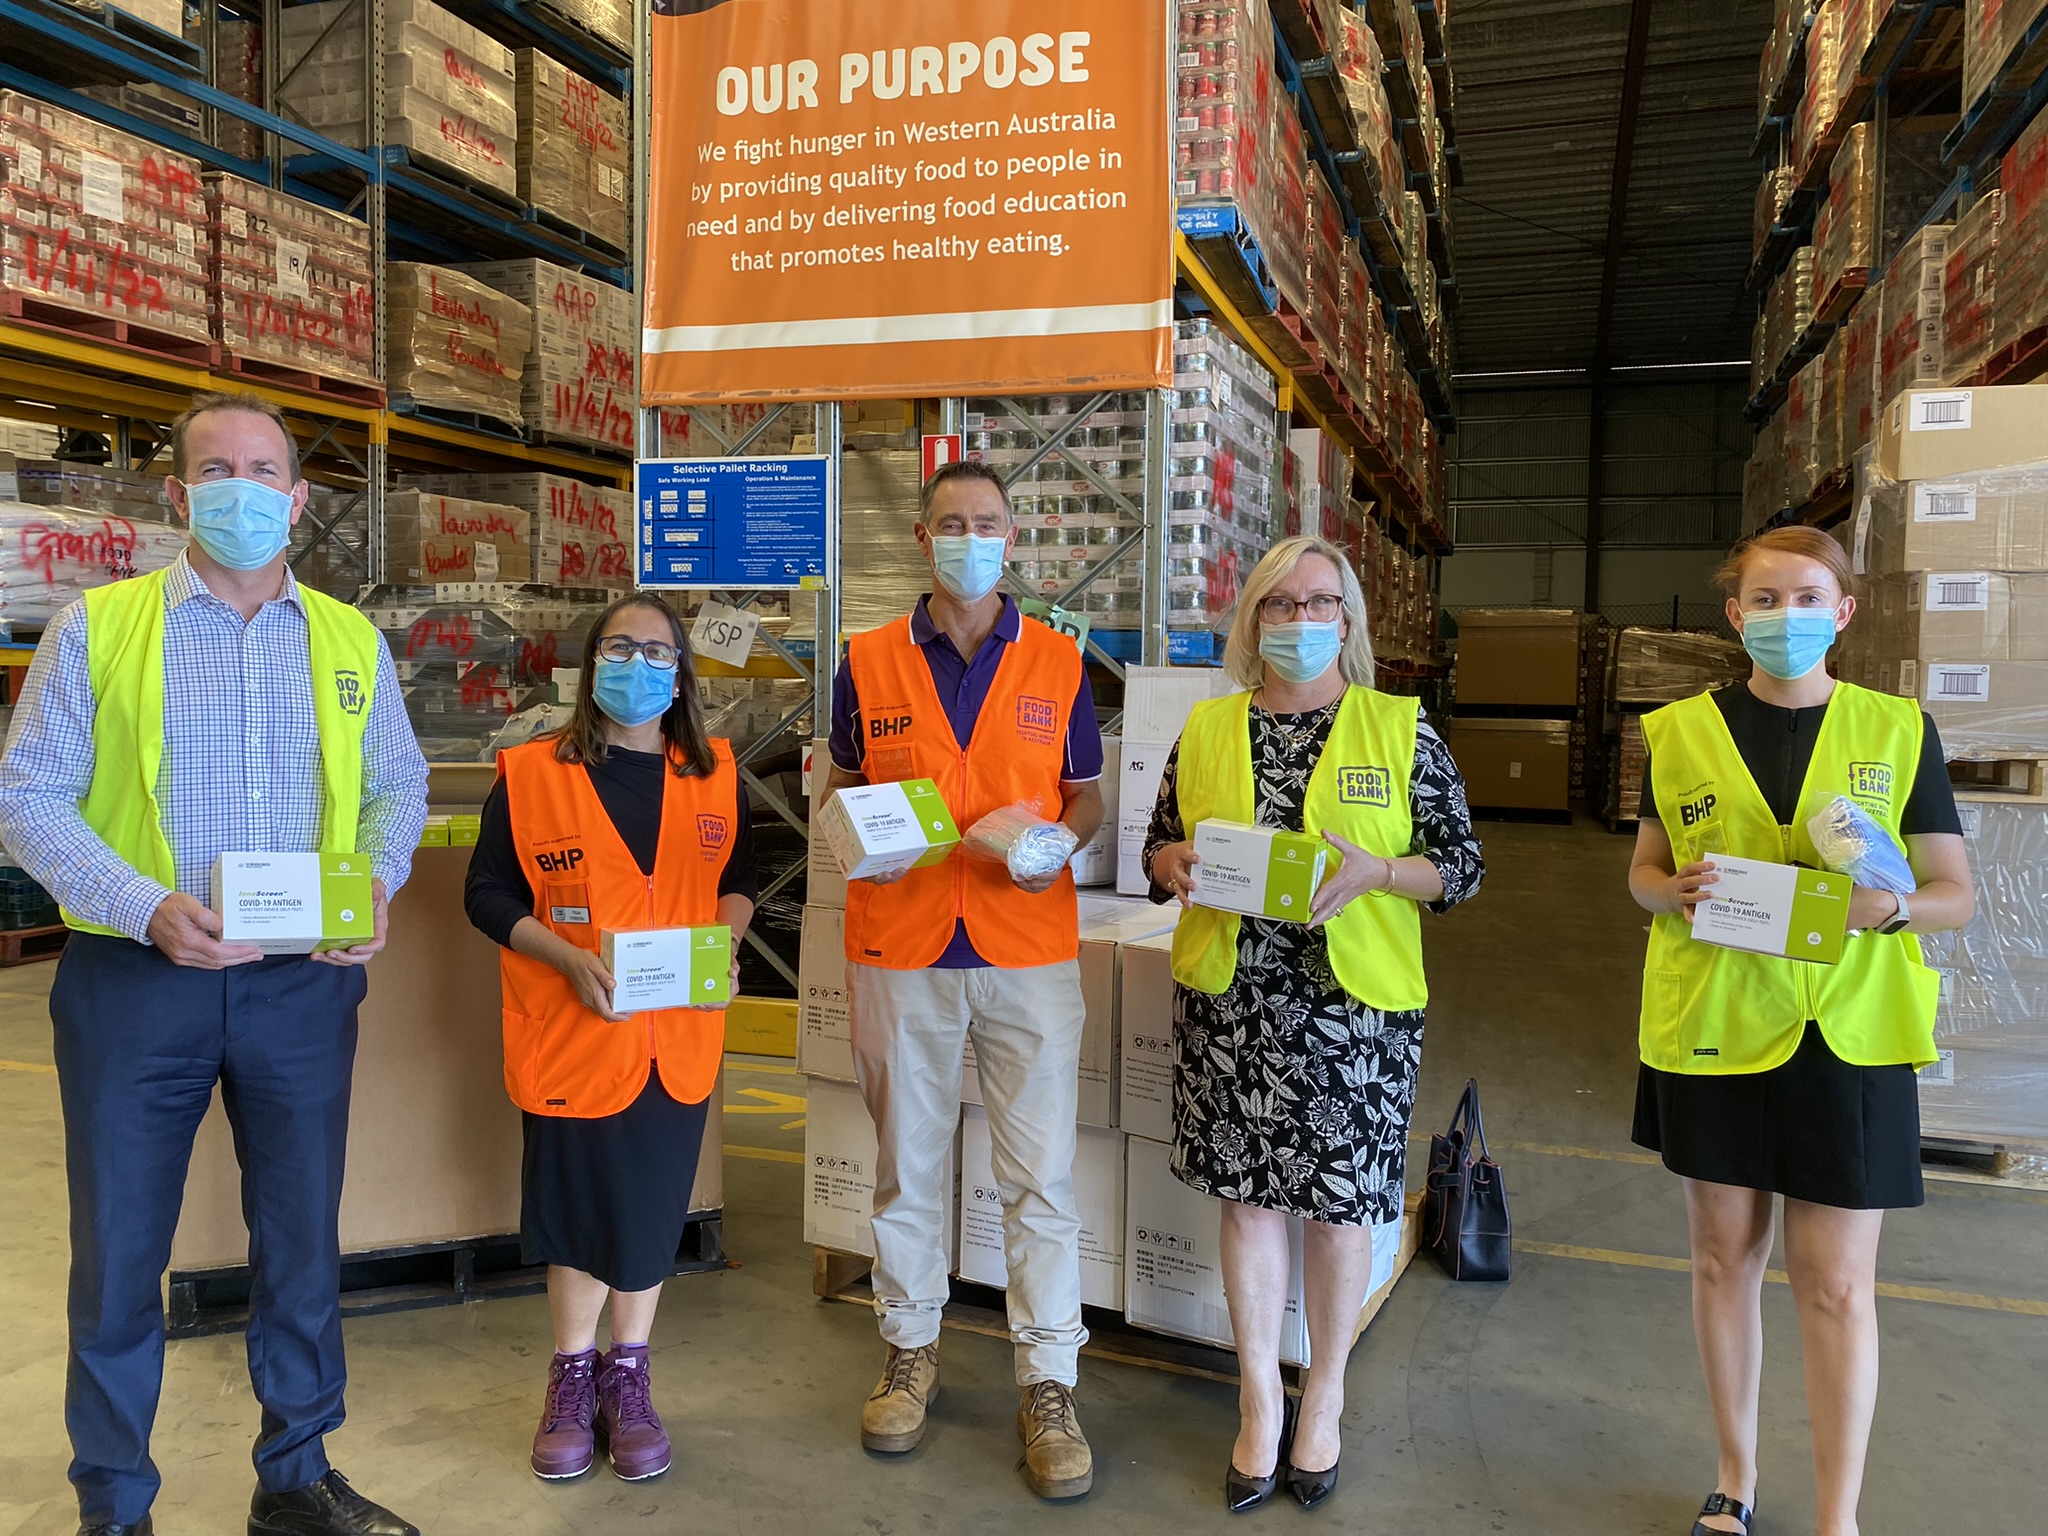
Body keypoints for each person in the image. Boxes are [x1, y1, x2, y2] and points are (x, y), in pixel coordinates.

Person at [0, 392, 430, 1536]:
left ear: (296, 496)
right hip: (138, 983)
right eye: (217, 469)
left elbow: (397, 783)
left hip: (300, 982)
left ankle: (294, 1479)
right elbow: (26, 797)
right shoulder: (97, 629)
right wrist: (142, 907)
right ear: (182, 494)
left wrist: (377, 882)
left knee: (300, 1240)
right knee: (118, 1253)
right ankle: (115, 1503)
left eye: (265, 469)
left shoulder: (349, 639)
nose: (244, 488)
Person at [1626, 527, 1974, 1536]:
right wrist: (1668, 893)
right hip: (1717, 1026)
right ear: (1734, 616)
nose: (1785, 617)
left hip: (1845, 1036)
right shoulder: (1677, 732)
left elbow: (1953, 892)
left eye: (1806, 597)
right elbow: (1642, 872)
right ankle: (1732, 1479)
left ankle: (1836, 1517)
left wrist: (1893, 908)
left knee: (1831, 1284)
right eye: (1764, 600)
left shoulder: (1896, 731)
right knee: (1719, 1261)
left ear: (1843, 611)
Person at [1145, 535, 1484, 1513]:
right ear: (1252, 620)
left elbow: (1457, 867)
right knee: (1248, 1205)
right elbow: (1159, 845)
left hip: (1354, 1011)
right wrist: (1171, 867)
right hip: (1232, 1001)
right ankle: (1258, 1400)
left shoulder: (1396, 729)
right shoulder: (1207, 730)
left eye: (1319, 603)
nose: (1299, 622)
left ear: (1349, 620)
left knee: (1337, 1212)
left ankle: (1322, 1393)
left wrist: (1379, 871)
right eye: (1279, 606)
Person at [824, 458, 1105, 1499]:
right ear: (920, 534)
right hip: (900, 948)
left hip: (1024, 950)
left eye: (986, 522)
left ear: (1010, 537)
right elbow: (844, 783)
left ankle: (1048, 1380)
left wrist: (1054, 846)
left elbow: (1086, 798)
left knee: (1038, 1181)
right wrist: (844, 828)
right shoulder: (865, 661)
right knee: (907, 1167)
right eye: (951, 522)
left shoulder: (1059, 663)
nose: (968, 538)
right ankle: (907, 1350)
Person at [464, 593, 754, 1485]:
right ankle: (570, 1373)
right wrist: (565, 955)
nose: (638, 665)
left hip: (676, 1038)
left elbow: (738, 878)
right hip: (574, 1031)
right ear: (591, 666)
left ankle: (629, 1376)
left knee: (648, 1212)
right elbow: (488, 894)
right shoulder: (530, 772)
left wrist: (729, 944)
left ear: (680, 675)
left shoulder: (714, 772)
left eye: (657, 652)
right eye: (619, 648)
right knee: (580, 1211)